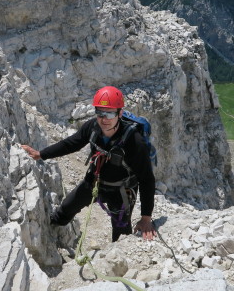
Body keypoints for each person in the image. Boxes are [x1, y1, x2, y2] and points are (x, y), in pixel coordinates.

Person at [22, 86, 156, 241]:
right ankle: (51, 232)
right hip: (94, 182)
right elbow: (71, 144)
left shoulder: (134, 141)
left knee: (121, 233)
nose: (104, 119)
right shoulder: (92, 127)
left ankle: (115, 259)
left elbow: (146, 179)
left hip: (121, 191)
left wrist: (146, 218)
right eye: (100, 112)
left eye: (110, 113)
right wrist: (41, 154)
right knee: (66, 208)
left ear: (120, 113)